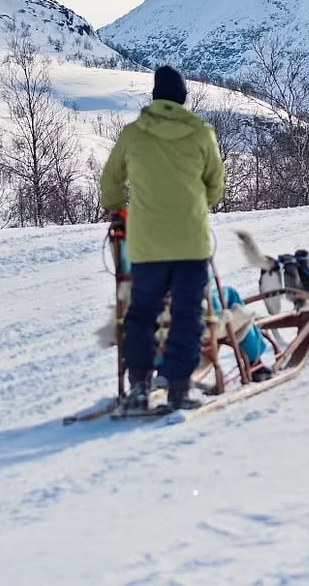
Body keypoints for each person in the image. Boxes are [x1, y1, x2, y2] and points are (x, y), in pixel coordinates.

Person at [99, 64, 225, 411]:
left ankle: (139, 386)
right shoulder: (201, 132)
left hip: (146, 246)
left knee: (142, 314)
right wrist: (199, 206)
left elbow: (109, 182)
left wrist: (114, 207)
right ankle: (179, 387)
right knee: (187, 315)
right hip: (191, 242)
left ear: (154, 98)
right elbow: (216, 185)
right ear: (183, 99)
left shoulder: (133, 134)